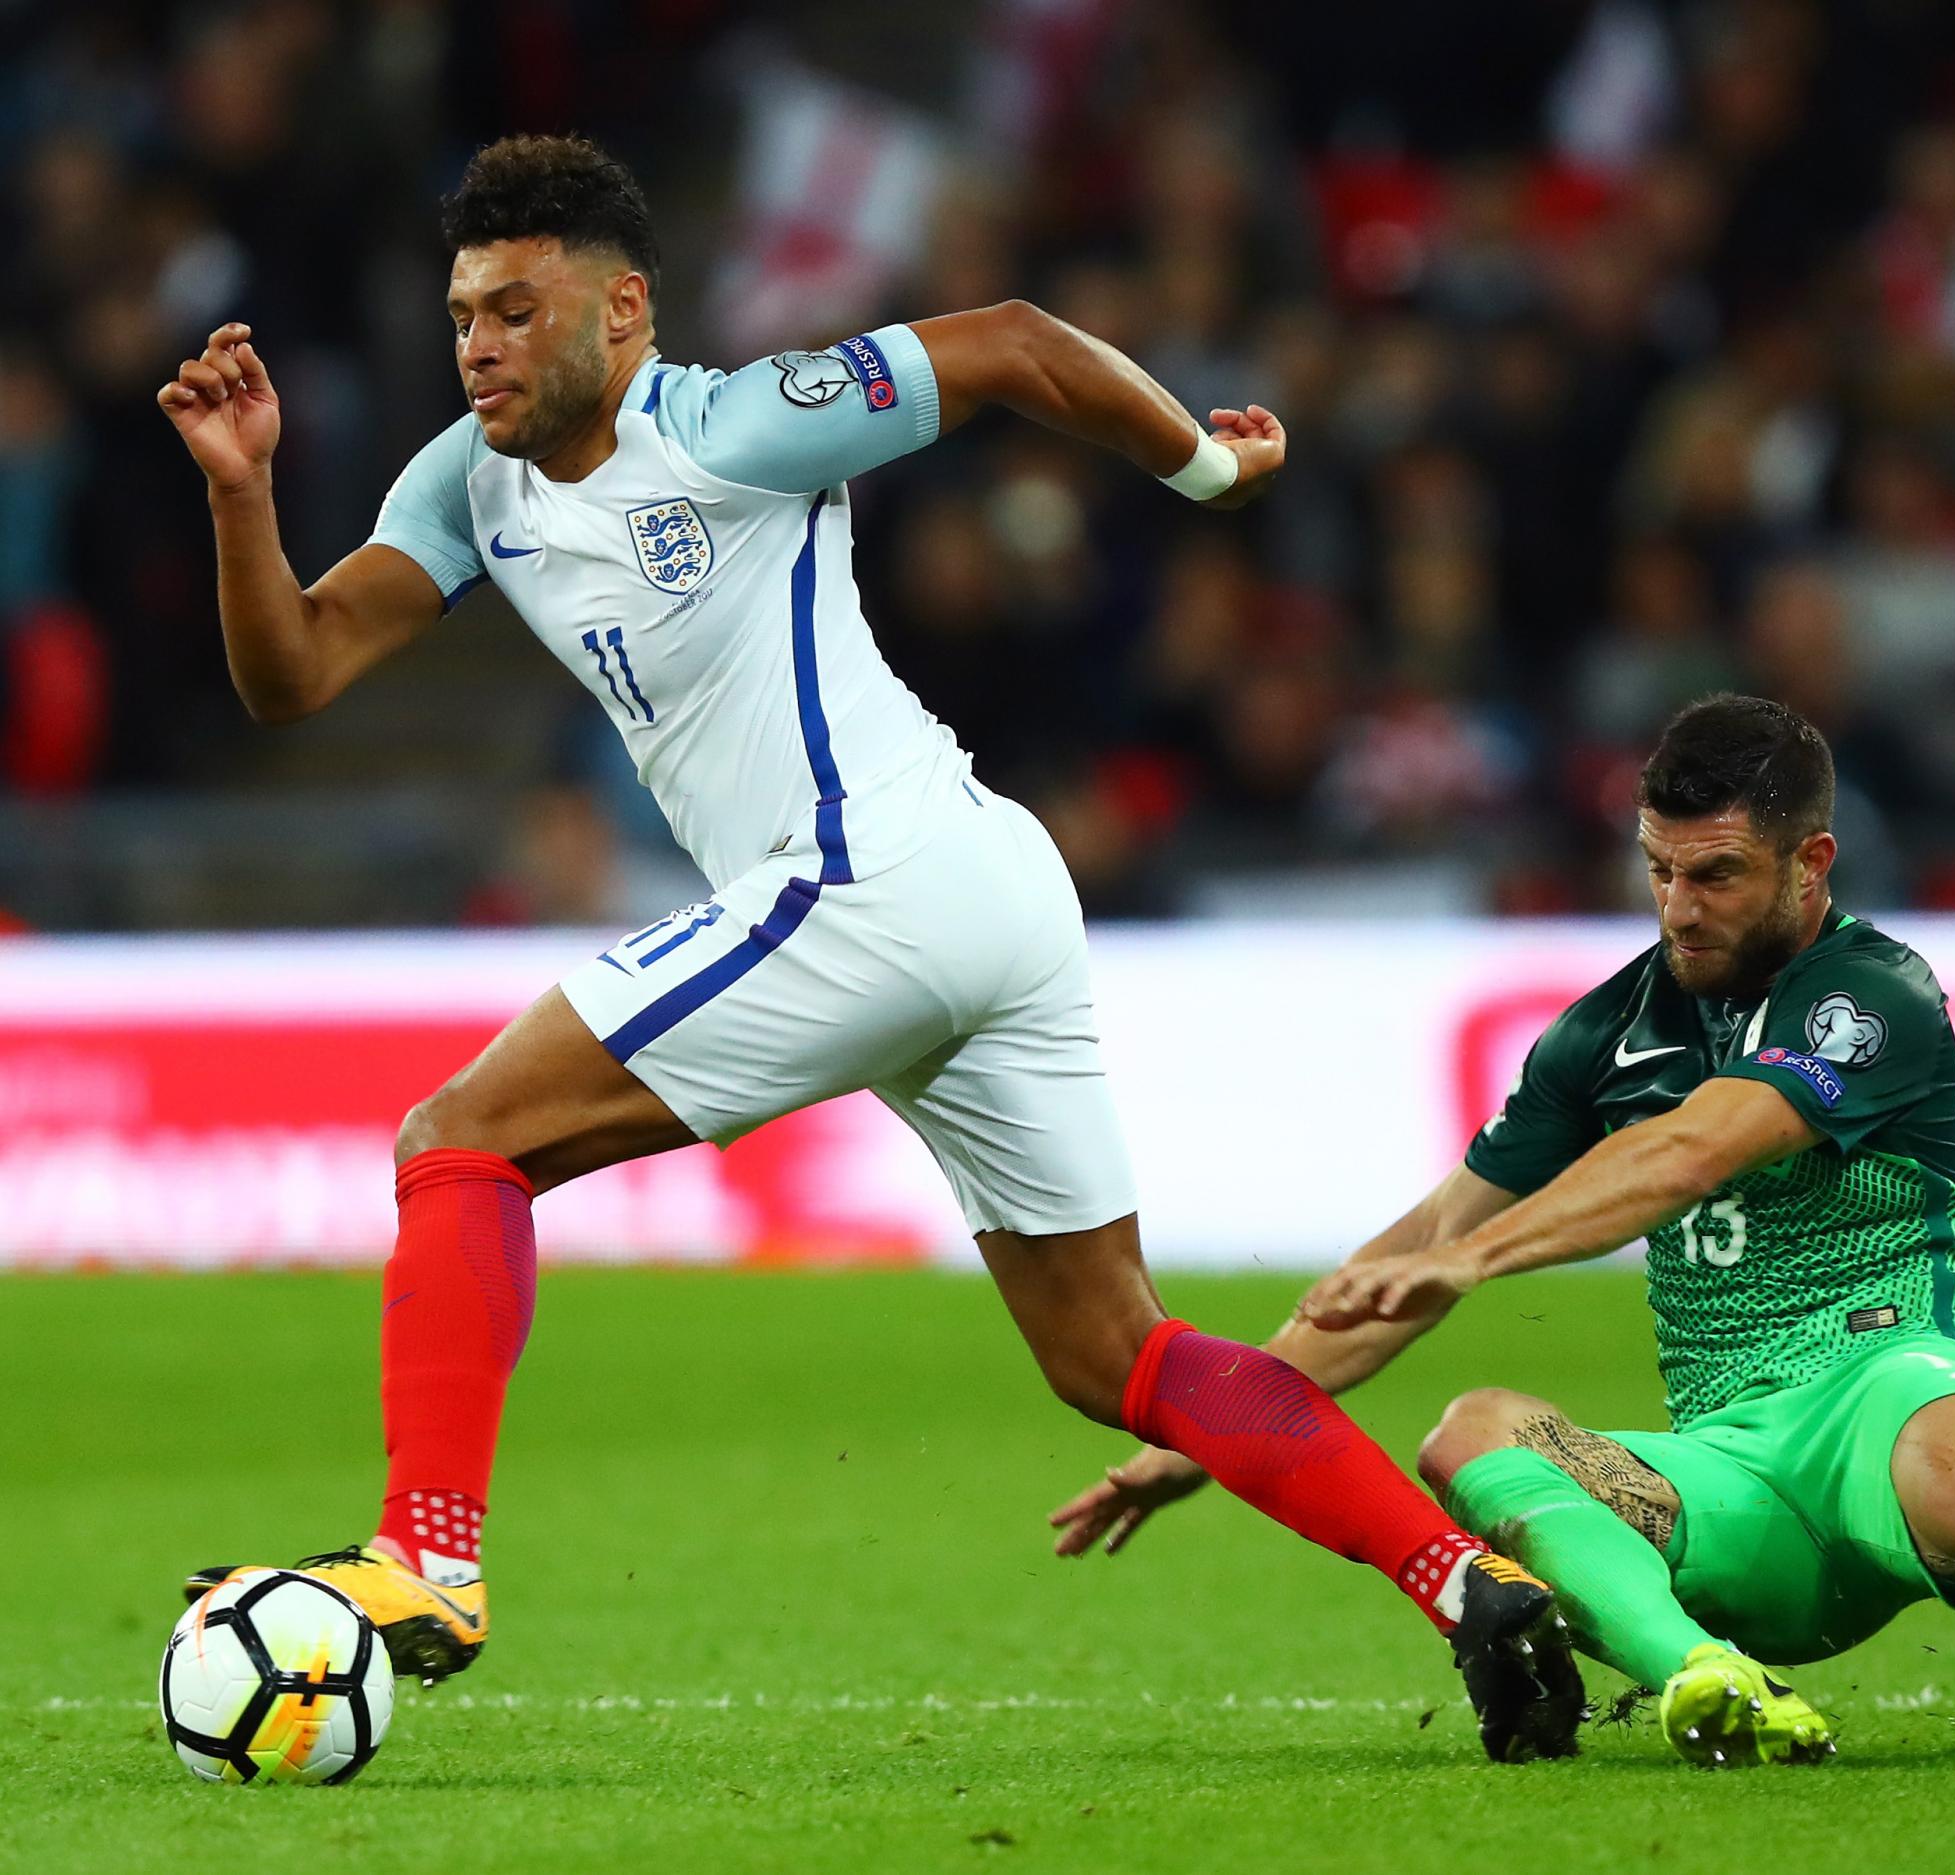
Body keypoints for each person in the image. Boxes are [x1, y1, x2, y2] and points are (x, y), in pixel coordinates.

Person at [157, 134, 1579, 1761]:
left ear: (621, 313)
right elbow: (296, 674)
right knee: (1110, 1351)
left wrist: (1204, 468)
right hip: (972, 892)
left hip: (870, 877)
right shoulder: (465, 486)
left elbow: (1025, 345)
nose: (477, 342)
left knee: (457, 1143)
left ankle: (427, 1564)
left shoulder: (738, 422)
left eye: (516, 308)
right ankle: (1465, 1587)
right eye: (464, 309)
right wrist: (245, 494)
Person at [1052, 693, 1955, 1770]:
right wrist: (1216, 1432)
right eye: (1660, 870)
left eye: (1717, 875)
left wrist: (1475, 1259)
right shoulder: (1605, 1032)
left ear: (1811, 862)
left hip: (1892, 1390)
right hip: (1731, 1471)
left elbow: (1695, 1151)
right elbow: (1423, 1242)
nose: (1681, 907)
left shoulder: (1874, 995)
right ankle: (1704, 1679)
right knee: (1474, 1428)